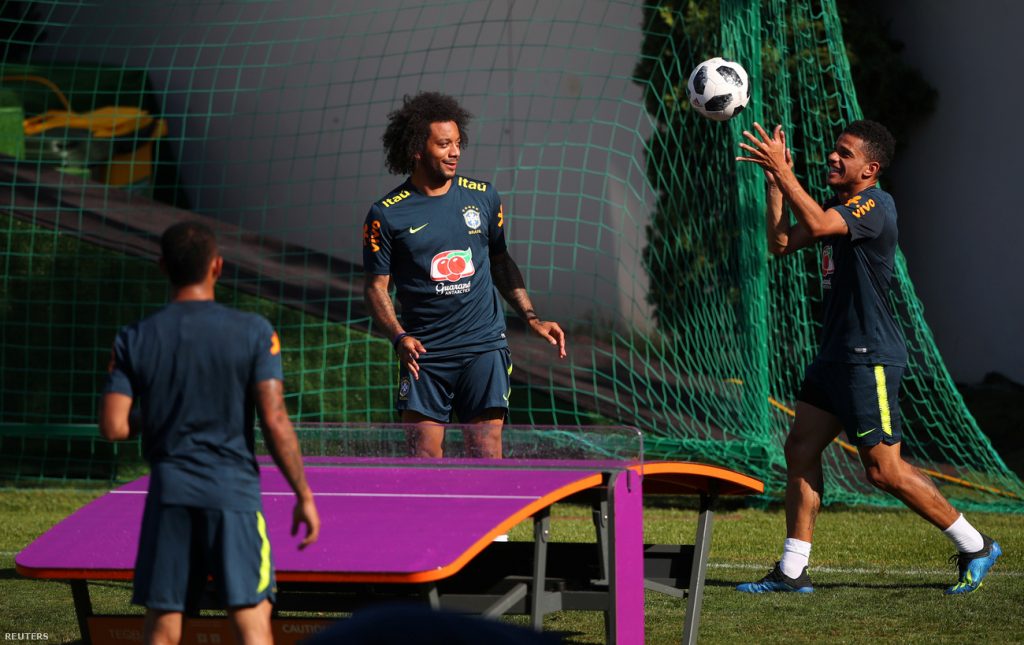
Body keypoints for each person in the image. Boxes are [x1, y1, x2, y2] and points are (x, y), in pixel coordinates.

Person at [734, 120, 1001, 595]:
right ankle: (793, 572)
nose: (832, 158)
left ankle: (976, 544)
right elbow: (780, 244)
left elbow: (814, 225)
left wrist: (784, 170)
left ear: (870, 168)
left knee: (882, 470)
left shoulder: (877, 205)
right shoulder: (840, 207)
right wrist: (775, 185)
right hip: (834, 357)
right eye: (834, 150)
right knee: (799, 449)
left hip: (868, 358)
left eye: (845, 153)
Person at [100, 221, 321, 644]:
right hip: (232, 494)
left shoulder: (133, 337)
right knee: (251, 622)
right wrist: (304, 495)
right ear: (217, 267)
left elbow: (113, 426)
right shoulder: (255, 331)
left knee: (163, 626)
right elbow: (274, 419)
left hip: (170, 495)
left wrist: (167, 412)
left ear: (162, 266)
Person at [362, 91, 566, 458]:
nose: (455, 151)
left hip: (483, 347)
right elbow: (377, 288)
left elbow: (501, 261)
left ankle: (490, 517)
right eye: (444, 144)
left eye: (458, 143)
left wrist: (532, 318)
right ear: (417, 149)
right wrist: (398, 337)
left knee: (487, 453)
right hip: (425, 354)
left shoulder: (483, 197)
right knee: (423, 458)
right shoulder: (387, 214)